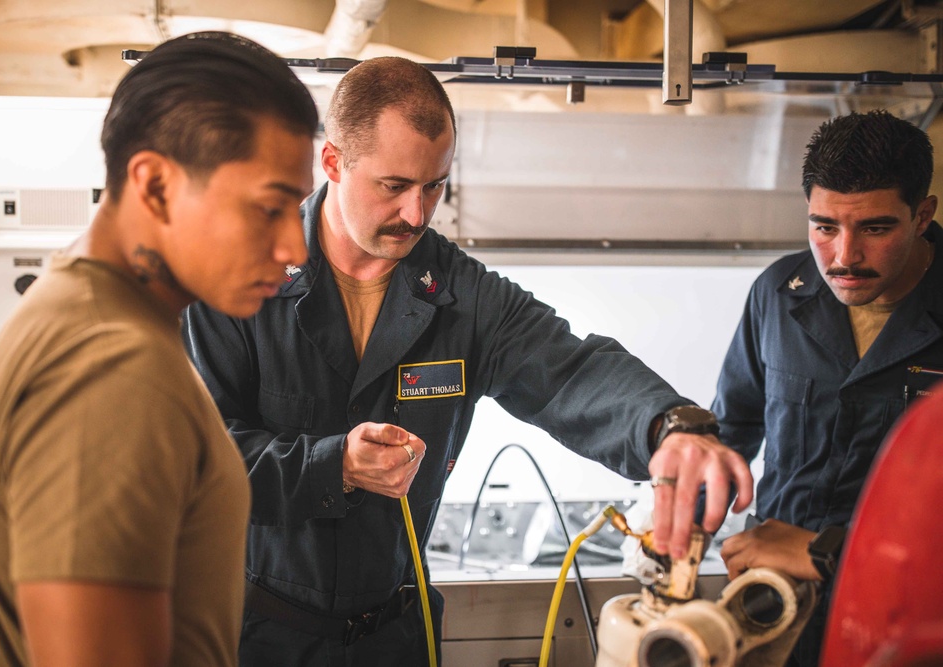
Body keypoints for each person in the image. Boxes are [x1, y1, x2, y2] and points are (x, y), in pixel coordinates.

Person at [183, 56, 753, 667]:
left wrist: (667, 427)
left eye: (435, 186)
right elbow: (198, 465)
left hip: (397, 638)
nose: (418, 214)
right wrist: (334, 466)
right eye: (394, 186)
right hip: (256, 636)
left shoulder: (465, 296)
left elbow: (571, 371)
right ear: (332, 162)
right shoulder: (238, 278)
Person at [0, 32, 317, 667]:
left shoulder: (84, 312)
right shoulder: (112, 368)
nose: (295, 247)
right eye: (270, 208)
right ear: (153, 186)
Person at [715, 110, 943, 667]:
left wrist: (827, 553)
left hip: (901, 628)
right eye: (824, 227)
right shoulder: (777, 294)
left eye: (875, 228)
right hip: (772, 610)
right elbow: (734, 429)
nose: (843, 257)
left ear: (921, 216)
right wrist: (681, 511)